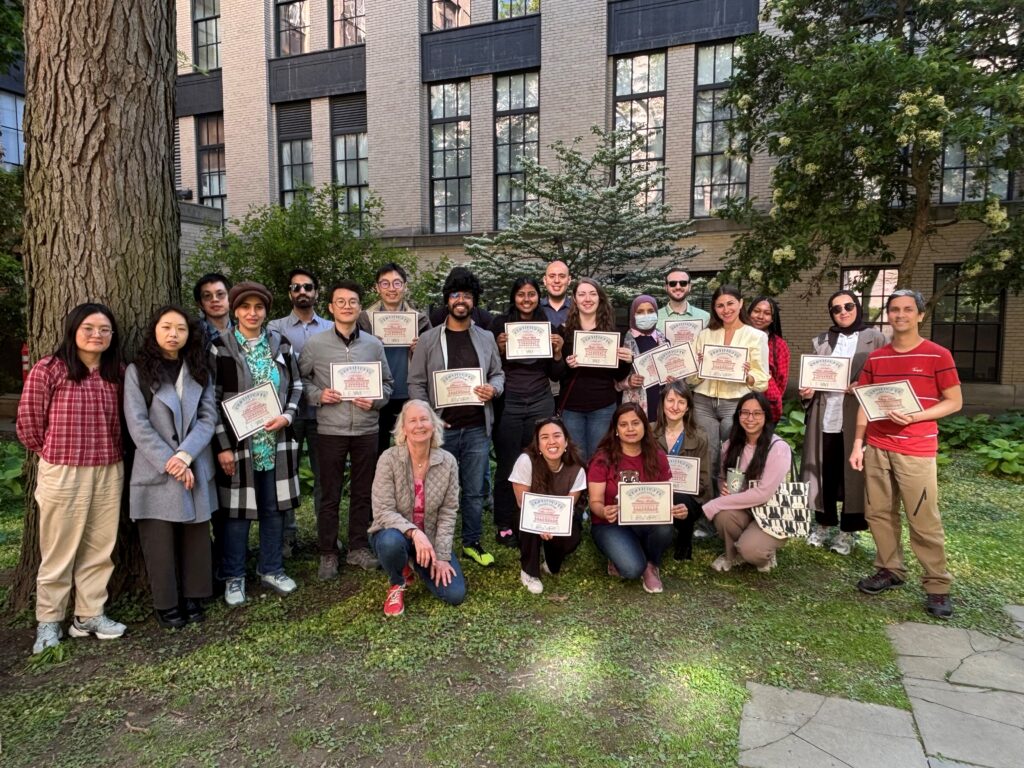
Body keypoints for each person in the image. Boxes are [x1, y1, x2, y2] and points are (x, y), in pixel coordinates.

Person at [18, 303, 127, 654]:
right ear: (73, 330)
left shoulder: (118, 372)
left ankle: (89, 614)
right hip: (63, 470)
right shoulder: (49, 369)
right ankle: (49, 621)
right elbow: (29, 425)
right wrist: (53, 455)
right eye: (89, 328)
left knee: (100, 547)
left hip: (109, 469)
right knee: (58, 550)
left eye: (105, 330)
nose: (97, 335)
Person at [850, 289, 962, 619]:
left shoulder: (937, 355)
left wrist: (915, 417)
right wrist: (858, 443)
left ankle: (937, 586)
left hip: (916, 448)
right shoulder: (877, 357)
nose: (900, 315)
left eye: (907, 310)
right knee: (879, 513)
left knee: (923, 519)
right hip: (878, 446)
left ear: (920, 315)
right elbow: (865, 404)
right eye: (894, 309)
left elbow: (954, 401)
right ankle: (889, 569)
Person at [210, 281, 303, 607]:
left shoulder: (280, 343)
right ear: (235, 311)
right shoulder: (219, 348)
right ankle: (234, 576)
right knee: (236, 514)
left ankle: (271, 568)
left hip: (275, 440)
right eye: (245, 307)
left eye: (259, 307)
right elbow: (212, 398)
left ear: (266, 311)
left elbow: (297, 385)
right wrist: (222, 444)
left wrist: (288, 417)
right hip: (238, 445)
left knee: (273, 508)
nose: (252, 313)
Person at [124, 306, 217, 628]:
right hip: (155, 468)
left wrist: (185, 456)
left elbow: (208, 417)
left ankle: (195, 595)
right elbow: (137, 424)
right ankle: (166, 602)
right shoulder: (137, 371)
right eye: (166, 327)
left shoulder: (199, 368)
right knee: (159, 540)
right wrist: (172, 461)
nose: (173, 334)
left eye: (180, 328)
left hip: (194, 463)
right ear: (155, 331)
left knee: (196, 535)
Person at [408, 267, 505, 568]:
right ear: (447, 300)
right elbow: (416, 383)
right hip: (440, 429)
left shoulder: (486, 337)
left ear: (474, 301)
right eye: (455, 295)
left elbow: (498, 374)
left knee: (475, 491)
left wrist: (494, 389)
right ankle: (438, 546)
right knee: (438, 491)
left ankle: (472, 542)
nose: (460, 300)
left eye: (466, 295)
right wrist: (429, 420)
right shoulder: (428, 340)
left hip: (477, 427)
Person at [299, 280, 393, 579]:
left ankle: (357, 547)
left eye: (353, 301)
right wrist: (318, 395)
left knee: (363, 492)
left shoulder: (373, 344)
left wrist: (376, 401)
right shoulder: (315, 345)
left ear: (359, 306)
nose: (347, 306)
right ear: (330, 307)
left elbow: (388, 384)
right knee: (329, 494)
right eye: (341, 302)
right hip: (330, 429)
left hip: (366, 429)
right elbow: (299, 381)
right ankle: (328, 552)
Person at [799, 291, 886, 555]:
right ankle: (824, 524)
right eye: (836, 309)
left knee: (853, 475)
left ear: (857, 307)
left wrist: (864, 385)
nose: (843, 312)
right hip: (825, 416)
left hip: (856, 416)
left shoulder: (877, 338)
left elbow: (884, 376)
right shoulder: (822, 340)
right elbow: (813, 374)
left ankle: (849, 532)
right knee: (826, 471)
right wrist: (808, 391)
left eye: (848, 306)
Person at [368, 400, 467, 616]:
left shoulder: (448, 461)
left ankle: (415, 562)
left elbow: (449, 512)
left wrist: (441, 557)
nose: (419, 425)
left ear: (434, 424)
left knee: (455, 594)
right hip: (394, 534)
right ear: (403, 428)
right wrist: (414, 533)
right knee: (391, 542)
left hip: (430, 540)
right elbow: (383, 510)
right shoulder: (389, 459)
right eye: (412, 420)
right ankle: (397, 581)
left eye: (424, 419)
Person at [490, 277, 565, 548]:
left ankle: (536, 520)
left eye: (531, 294)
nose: (526, 299)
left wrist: (557, 353)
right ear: (514, 297)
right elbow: (490, 366)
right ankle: (504, 523)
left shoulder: (550, 326)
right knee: (508, 465)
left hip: (540, 401)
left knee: (539, 461)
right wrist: (498, 349)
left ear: (538, 297)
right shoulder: (499, 325)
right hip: (509, 403)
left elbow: (557, 373)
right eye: (520, 294)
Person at [587, 403, 688, 594]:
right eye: (623, 425)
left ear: (644, 426)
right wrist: (603, 511)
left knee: (665, 529)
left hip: (646, 520)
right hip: (610, 524)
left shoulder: (658, 456)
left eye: (635, 423)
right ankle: (620, 553)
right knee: (631, 569)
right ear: (616, 430)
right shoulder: (602, 459)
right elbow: (595, 502)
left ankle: (651, 564)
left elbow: (665, 498)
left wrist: (675, 509)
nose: (630, 429)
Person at [267, 268, 333, 557]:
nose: (302, 292)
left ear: (316, 292)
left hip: (323, 413)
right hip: (286, 415)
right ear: (290, 293)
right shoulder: (274, 328)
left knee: (324, 477)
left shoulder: (332, 327)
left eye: (308, 287)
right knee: (285, 476)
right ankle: (287, 537)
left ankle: (325, 536)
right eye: (296, 288)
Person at [702, 392, 792, 573]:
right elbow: (721, 478)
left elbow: (763, 494)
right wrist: (724, 490)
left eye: (757, 413)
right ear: (738, 416)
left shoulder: (778, 448)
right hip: (744, 510)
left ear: (766, 416)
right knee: (724, 516)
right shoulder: (730, 446)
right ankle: (731, 555)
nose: (750, 418)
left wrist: (717, 502)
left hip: (771, 512)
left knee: (752, 551)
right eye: (745, 413)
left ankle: (763, 551)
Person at [690, 284, 769, 489]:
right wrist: (698, 368)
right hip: (703, 401)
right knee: (708, 454)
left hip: (735, 402)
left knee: (733, 454)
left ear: (741, 303)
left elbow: (762, 380)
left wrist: (747, 376)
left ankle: (731, 501)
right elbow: (691, 381)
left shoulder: (756, 336)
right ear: (714, 309)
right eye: (720, 305)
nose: (726, 309)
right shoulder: (704, 335)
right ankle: (707, 504)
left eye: (730, 303)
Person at [357, 262, 432, 457]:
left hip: (409, 394)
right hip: (377, 394)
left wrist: (420, 350)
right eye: (385, 283)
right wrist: (369, 344)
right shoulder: (364, 320)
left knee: (412, 453)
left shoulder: (420, 320)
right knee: (377, 452)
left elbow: (433, 360)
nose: (392, 289)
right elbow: (353, 356)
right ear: (377, 288)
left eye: (397, 283)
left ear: (405, 286)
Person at [560, 278, 634, 463]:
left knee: (600, 459)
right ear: (574, 300)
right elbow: (555, 374)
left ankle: (596, 493)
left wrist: (626, 361)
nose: (587, 298)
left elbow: (619, 376)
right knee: (575, 459)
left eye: (592, 294)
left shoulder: (612, 332)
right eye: (582, 294)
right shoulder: (563, 332)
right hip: (572, 407)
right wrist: (565, 364)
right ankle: (579, 493)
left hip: (603, 406)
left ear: (600, 298)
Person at [510, 417, 586, 594]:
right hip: (529, 515)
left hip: (558, 518)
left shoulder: (577, 469)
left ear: (566, 441)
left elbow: (569, 509)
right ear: (538, 444)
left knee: (571, 540)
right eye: (544, 437)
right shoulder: (526, 461)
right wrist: (540, 524)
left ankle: (550, 561)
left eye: (557, 436)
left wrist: (552, 526)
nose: (551, 441)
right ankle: (529, 571)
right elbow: (523, 503)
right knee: (525, 524)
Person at [653, 381, 711, 561]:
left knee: (679, 497)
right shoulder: (648, 432)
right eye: (670, 400)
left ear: (688, 408)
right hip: (657, 492)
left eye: (681, 402)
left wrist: (684, 486)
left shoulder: (700, 436)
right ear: (663, 403)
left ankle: (685, 537)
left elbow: (704, 480)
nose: (675, 407)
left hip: (690, 498)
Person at [620, 294, 668, 422]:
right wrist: (628, 382)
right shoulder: (623, 341)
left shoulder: (663, 340)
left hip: (660, 404)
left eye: (651, 311)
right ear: (632, 315)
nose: (646, 315)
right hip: (635, 406)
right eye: (640, 312)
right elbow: (612, 379)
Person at [747, 296, 789, 424]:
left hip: (766, 404)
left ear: (772, 319)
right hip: (734, 400)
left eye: (767, 313)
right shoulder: (736, 336)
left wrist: (772, 397)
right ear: (749, 313)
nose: (760, 316)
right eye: (756, 311)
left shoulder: (779, 345)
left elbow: (781, 380)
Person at [656, 268, 710, 334]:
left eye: (683, 283)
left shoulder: (706, 317)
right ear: (666, 287)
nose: (678, 287)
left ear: (690, 287)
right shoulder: (655, 318)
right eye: (673, 283)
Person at [193, 272, 233, 344]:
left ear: (231, 298)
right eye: (207, 295)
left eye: (220, 294)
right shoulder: (191, 334)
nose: (215, 299)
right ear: (200, 304)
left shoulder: (244, 332)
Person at [539, 260, 572, 327]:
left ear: (569, 280)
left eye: (562, 276)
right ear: (545, 280)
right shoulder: (535, 309)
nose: (556, 281)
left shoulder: (578, 309)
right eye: (552, 276)